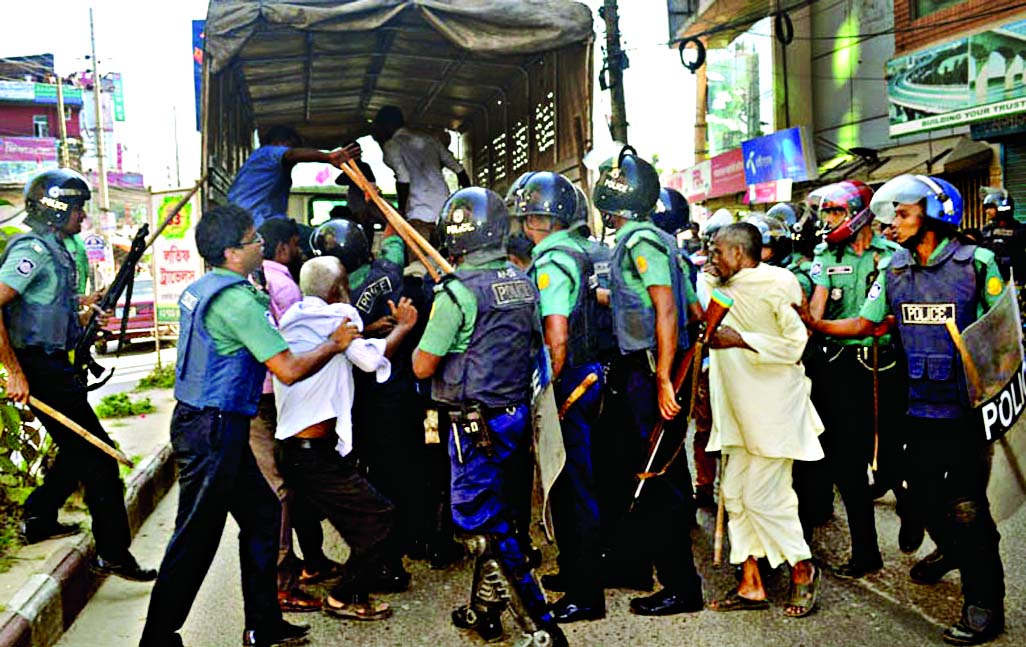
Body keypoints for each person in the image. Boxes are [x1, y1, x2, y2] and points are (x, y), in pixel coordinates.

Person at [796, 175, 1006, 646]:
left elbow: (1003, 338)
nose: (894, 222)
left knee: (968, 507)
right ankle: (951, 549)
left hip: (966, 410)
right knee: (924, 497)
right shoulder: (894, 269)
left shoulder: (978, 264)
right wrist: (817, 323)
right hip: (914, 406)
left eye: (904, 213)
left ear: (935, 215)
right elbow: (866, 322)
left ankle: (984, 605)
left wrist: (1000, 400)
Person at [139, 204, 360, 647]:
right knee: (196, 536)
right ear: (230, 252)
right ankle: (158, 637)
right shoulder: (238, 301)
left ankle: (263, 625)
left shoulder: (202, 288)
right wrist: (336, 344)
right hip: (213, 428)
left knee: (262, 517)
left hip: (215, 423)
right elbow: (289, 368)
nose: (261, 243)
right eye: (252, 239)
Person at [412, 187, 567, 646]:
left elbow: (423, 364)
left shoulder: (456, 295)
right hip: (513, 414)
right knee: (497, 516)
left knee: (480, 528)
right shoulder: (520, 281)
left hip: (471, 422)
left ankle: (540, 629)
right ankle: (484, 610)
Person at [0, 169, 155, 580]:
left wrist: (86, 305)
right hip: (38, 367)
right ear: (55, 208)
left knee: (74, 448)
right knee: (101, 459)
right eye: (77, 207)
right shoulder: (32, 248)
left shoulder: (56, 247)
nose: (83, 216)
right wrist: (14, 372)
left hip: (53, 363)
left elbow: (43, 303)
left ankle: (38, 516)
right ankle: (113, 552)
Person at [592, 147, 704, 616]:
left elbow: (667, 308)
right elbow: (694, 311)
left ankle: (682, 586)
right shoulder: (661, 240)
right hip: (649, 366)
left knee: (659, 477)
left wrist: (662, 377)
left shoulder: (641, 242)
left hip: (649, 370)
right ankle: (632, 560)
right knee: (631, 467)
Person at [274, 256, 418, 622]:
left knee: (318, 515)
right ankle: (344, 596)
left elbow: (332, 346)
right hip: (315, 455)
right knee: (379, 518)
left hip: (291, 448)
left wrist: (366, 332)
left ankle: (316, 569)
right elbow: (369, 363)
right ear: (339, 291)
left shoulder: (291, 318)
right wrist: (401, 328)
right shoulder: (341, 315)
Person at [703, 222, 824, 619]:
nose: (712, 257)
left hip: (773, 410)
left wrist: (741, 340)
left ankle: (803, 568)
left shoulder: (779, 283)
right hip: (736, 415)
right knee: (735, 497)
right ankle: (751, 583)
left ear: (739, 253)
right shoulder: (717, 286)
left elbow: (795, 344)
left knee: (764, 498)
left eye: (718, 251)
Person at [508, 171, 606, 623]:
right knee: (579, 484)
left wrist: (543, 394)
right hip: (590, 376)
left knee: (571, 488)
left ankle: (585, 596)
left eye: (529, 217)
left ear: (539, 219)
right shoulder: (581, 250)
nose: (526, 226)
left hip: (569, 383)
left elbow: (557, 337)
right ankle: (574, 571)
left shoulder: (550, 260)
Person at [803, 180, 906, 578]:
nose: (829, 220)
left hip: (888, 366)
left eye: (835, 211)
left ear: (859, 211)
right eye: (825, 212)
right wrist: (819, 324)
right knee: (847, 465)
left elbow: (897, 314)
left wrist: (877, 325)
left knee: (894, 458)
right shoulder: (824, 254)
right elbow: (816, 309)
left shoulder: (894, 255)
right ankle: (866, 552)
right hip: (843, 366)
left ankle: (910, 510)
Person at [250, 218, 338, 613]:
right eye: (295, 245)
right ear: (284, 247)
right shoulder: (284, 285)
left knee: (290, 485)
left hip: (269, 396)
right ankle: (280, 583)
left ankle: (305, 564)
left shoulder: (256, 281)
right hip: (275, 396)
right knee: (280, 490)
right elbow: (301, 344)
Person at [371, 105, 471, 244]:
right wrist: (468, 201)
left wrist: (401, 212)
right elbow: (459, 169)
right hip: (444, 209)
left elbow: (403, 178)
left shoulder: (392, 145)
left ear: (385, 126)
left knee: (419, 262)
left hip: (418, 215)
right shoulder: (430, 139)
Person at [227, 124, 360, 228]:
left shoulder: (261, 162)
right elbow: (290, 154)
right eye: (295, 146)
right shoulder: (268, 153)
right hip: (256, 224)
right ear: (284, 141)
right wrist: (328, 157)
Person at [979, 189, 1023, 281]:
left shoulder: (1019, 230)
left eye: (991, 207)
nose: (987, 211)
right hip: (991, 279)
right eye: (986, 208)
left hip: (1014, 281)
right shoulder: (987, 229)